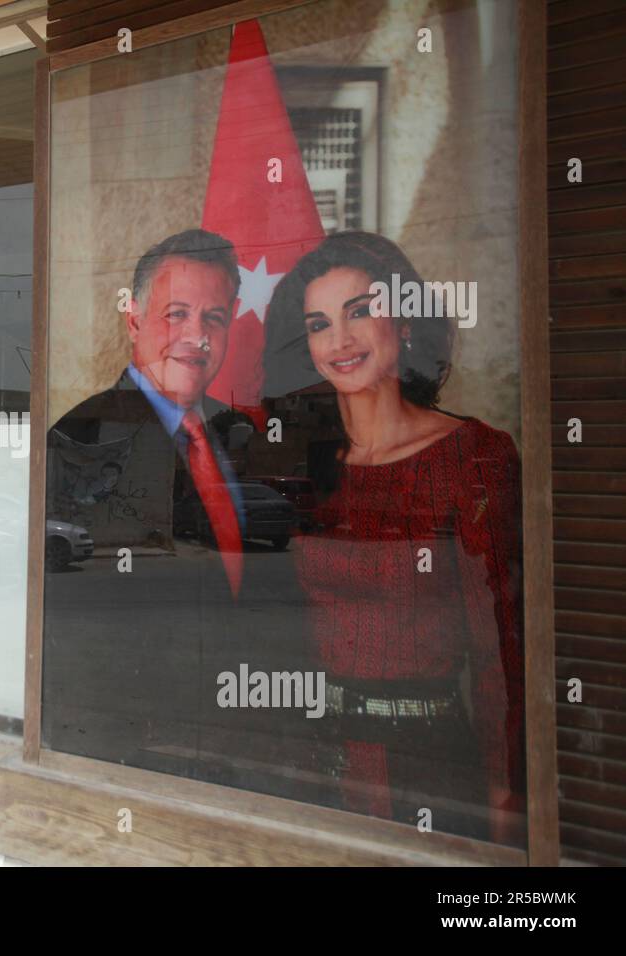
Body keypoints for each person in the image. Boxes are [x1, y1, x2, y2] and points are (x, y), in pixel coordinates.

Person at [263, 231, 524, 844]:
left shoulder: (474, 457)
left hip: (429, 770)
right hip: (311, 767)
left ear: (404, 319)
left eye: (360, 311)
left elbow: (502, 651)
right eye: (320, 324)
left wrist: (508, 791)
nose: (342, 340)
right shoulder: (308, 464)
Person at [42, 229, 322, 798]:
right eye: (176, 314)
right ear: (134, 322)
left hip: (231, 729)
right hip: (126, 744)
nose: (196, 337)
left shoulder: (231, 428)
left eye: (215, 318)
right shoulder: (79, 433)